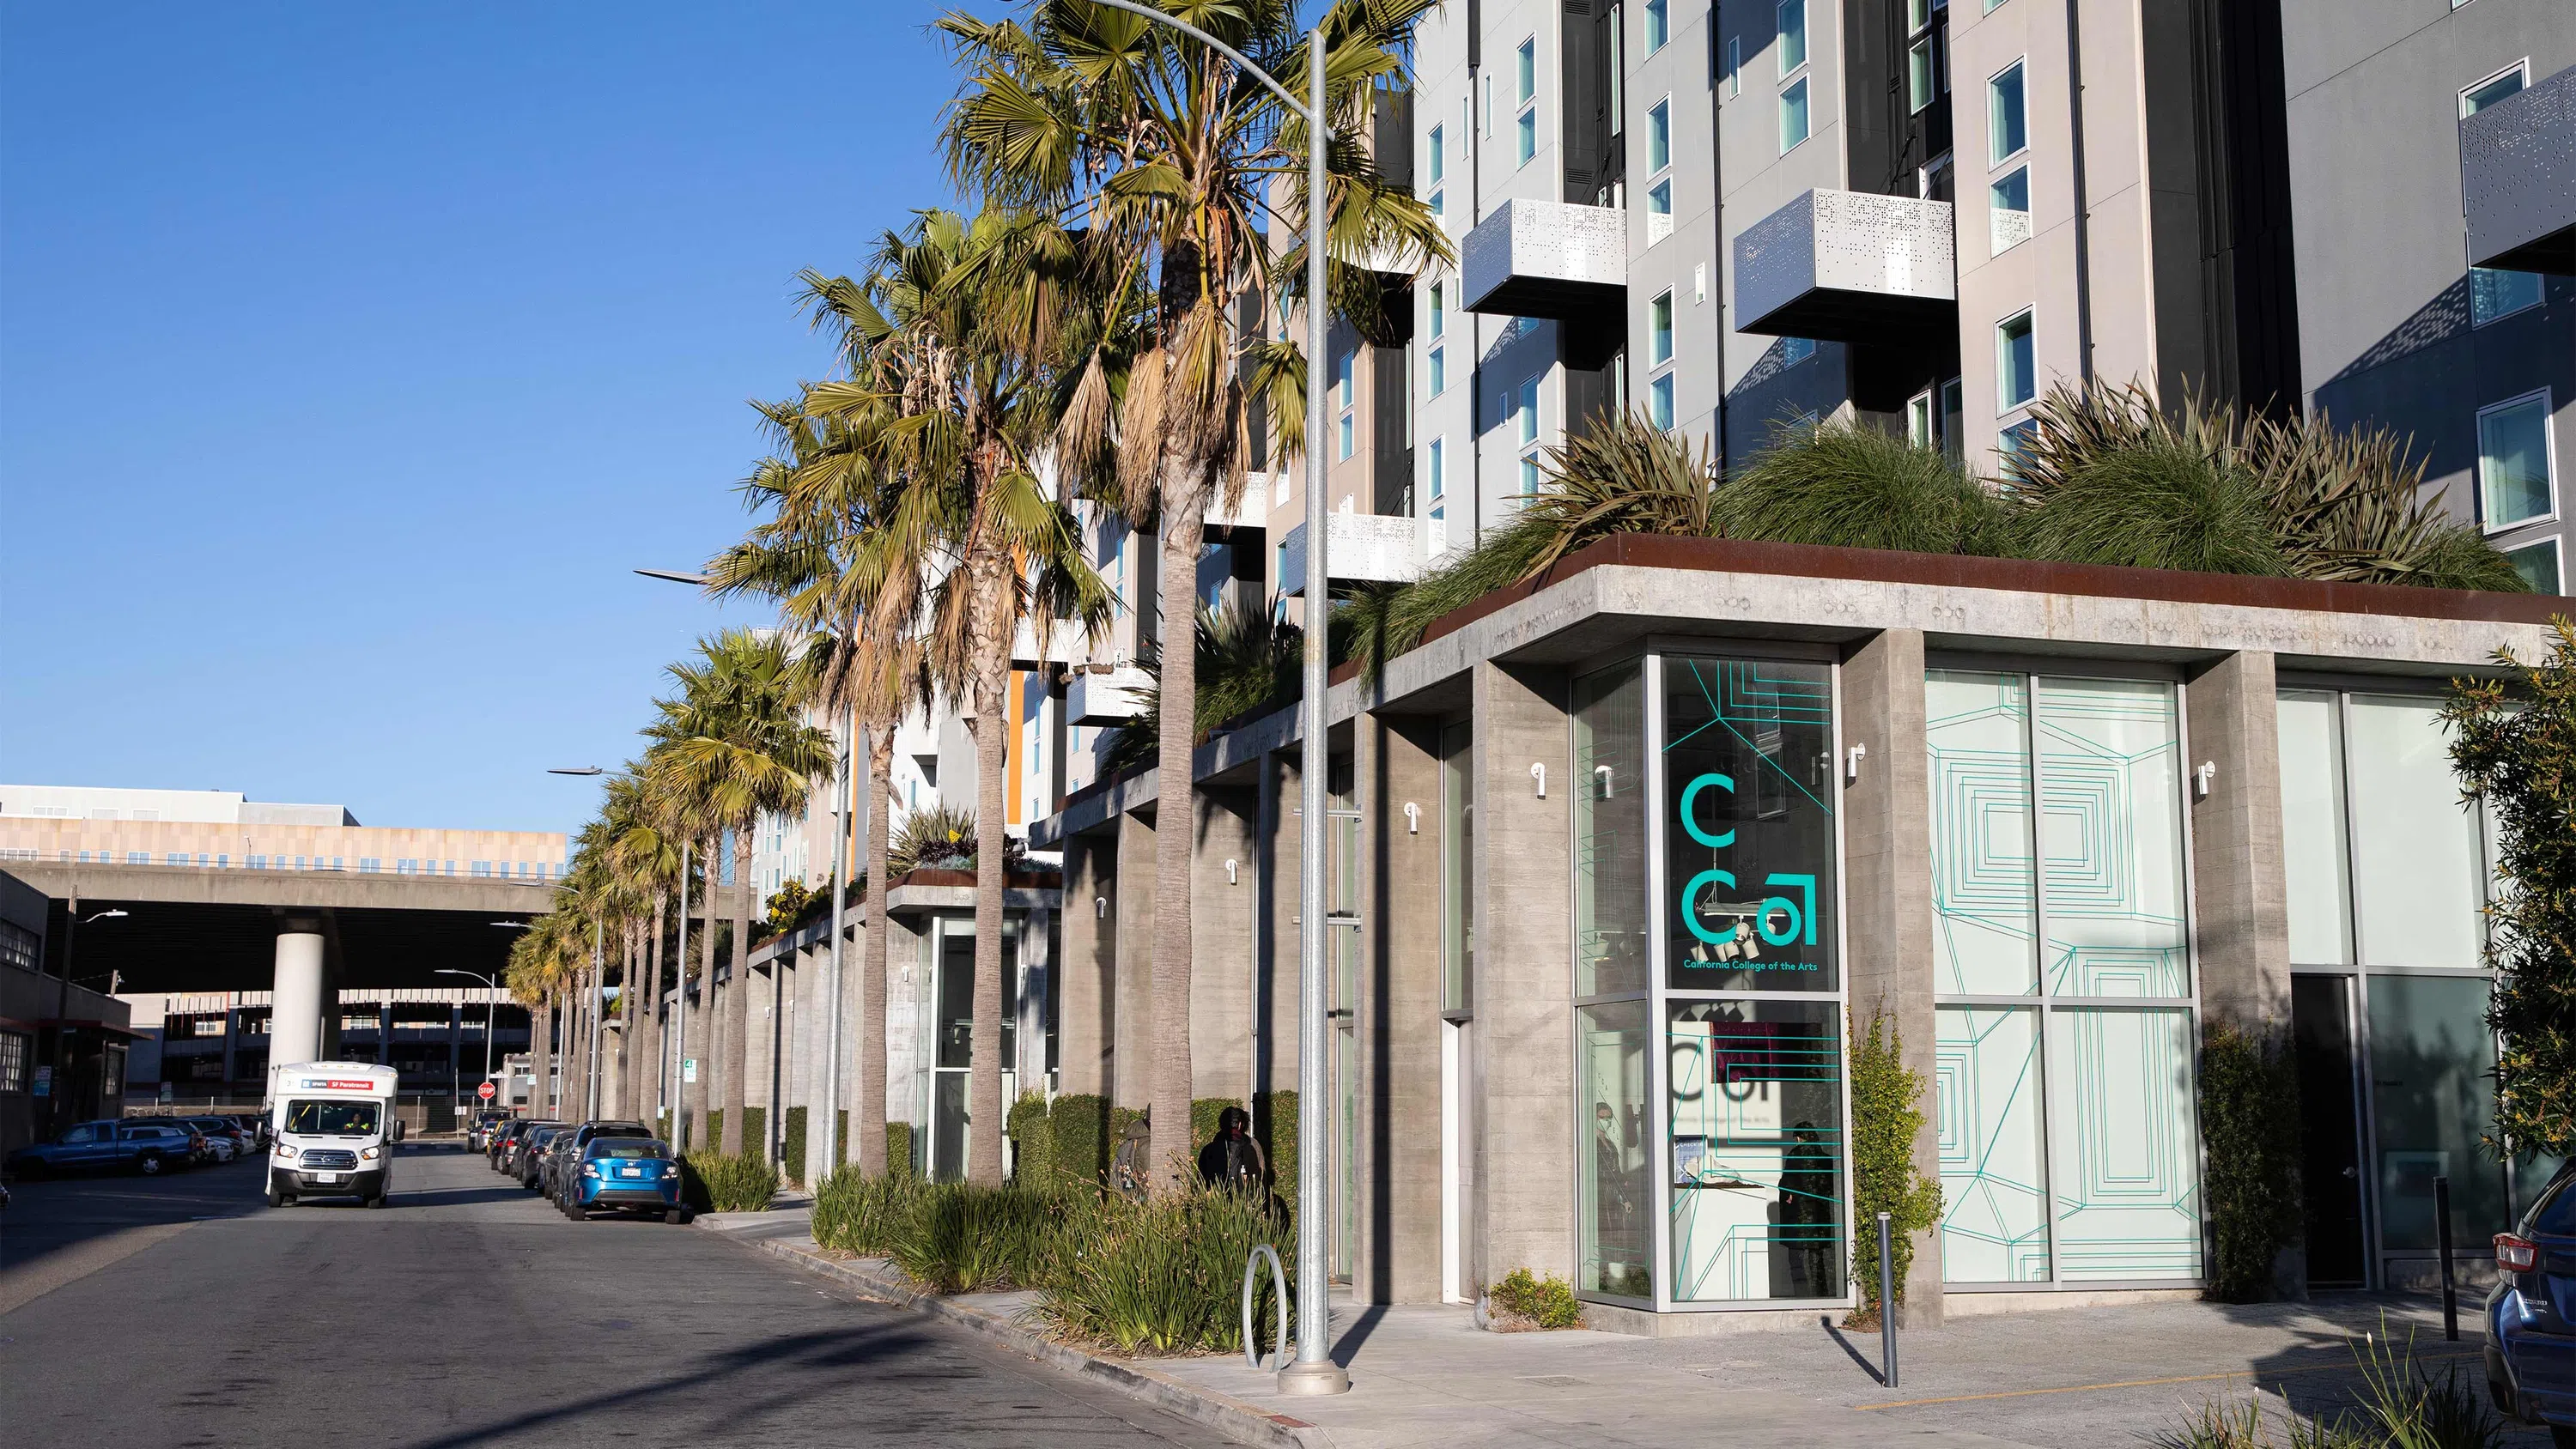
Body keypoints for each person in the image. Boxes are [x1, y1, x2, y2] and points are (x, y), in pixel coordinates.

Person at [1197, 1106, 1267, 1194]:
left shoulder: (1209, 1149)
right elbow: (1261, 1177)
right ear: (1241, 1124)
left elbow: (1201, 1182)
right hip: (1246, 1202)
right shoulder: (1253, 1145)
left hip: (1217, 1203)